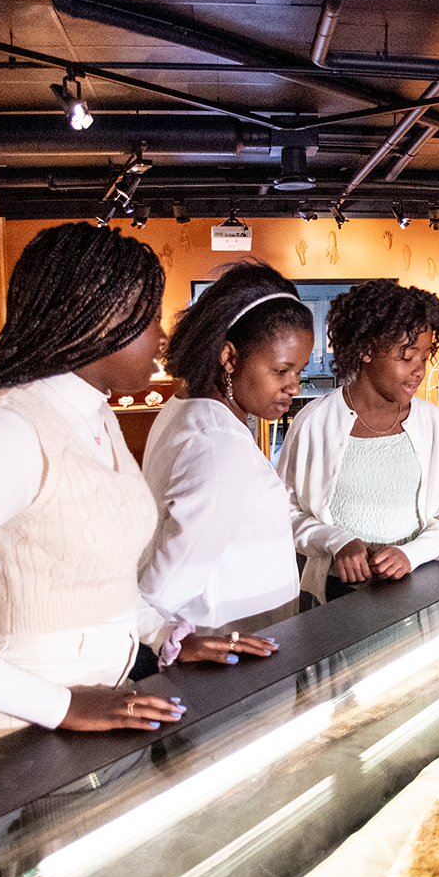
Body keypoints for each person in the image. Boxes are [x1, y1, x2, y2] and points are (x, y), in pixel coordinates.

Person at [0, 222, 269, 745]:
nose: (162, 337)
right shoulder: (5, 430)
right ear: (97, 318)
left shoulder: (95, 415)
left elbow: (102, 579)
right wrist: (61, 706)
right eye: (148, 318)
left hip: (98, 705)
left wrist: (166, 635)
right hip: (12, 728)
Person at [139, 264, 314, 638]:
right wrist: (158, 637)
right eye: (281, 370)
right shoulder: (220, 444)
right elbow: (163, 589)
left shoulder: (185, 408)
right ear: (229, 357)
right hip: (234, 645)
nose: (294, 387)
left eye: (298, 371)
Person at [277, 278, 439, 603]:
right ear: (367, 350)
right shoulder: (314, 423)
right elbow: (284, 510)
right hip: (334, 594)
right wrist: (335, 540)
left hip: (418, 587)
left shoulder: (435, 425)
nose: (418, 371)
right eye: (406, 356)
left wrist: (412, 553)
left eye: (424, 358)